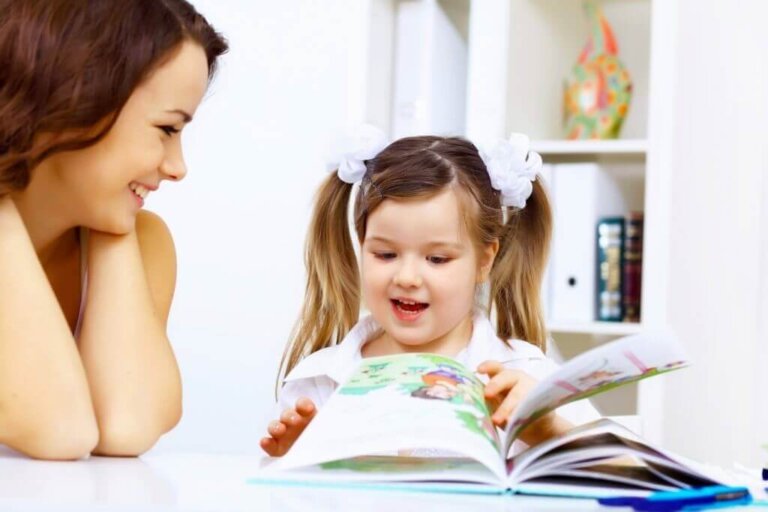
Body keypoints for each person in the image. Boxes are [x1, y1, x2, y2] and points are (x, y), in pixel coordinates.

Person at [260, 128, 600, 457]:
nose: (407, 277)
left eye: (437, 259)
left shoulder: (529, 375)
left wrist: (550, 430)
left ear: (484, 260)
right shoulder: (319, 381)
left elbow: (620, 468)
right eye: (385, 254)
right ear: (361, 246)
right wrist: (294, 460)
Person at [0, 0, 227, 460]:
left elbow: (127, 426)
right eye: (167, 128)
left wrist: (110, 220)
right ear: (72, 102)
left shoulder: (143, 243)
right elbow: (58, 428)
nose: (178, 167)